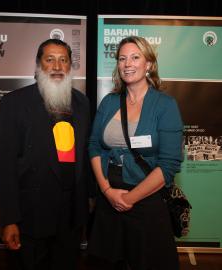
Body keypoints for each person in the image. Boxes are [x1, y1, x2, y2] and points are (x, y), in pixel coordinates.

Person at [0, 39, 91, 270]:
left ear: (70, 66)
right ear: (38, 65)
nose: (57, 66)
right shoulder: (14, 103)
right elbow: (5, 166)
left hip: (70, 216)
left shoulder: (82, 102)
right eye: (50, 59)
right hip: (32, 215)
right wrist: (9, 220)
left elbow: (85, 156)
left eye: (63, 60)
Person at [88, 36, 183, 270]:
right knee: (108, 262)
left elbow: (169, 165)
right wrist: (107, 191)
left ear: (148, 64)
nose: (127, 64)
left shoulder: (165, 105)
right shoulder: (109, 102)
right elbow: (94, 146)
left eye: (135, 57)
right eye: (122, 58)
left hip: (147, 199)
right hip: (108, 199)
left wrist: (129, 199)